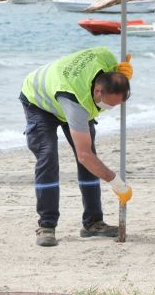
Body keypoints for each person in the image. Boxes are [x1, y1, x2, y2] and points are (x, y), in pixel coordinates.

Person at [19, 46, 134, 247]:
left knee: (90, 161)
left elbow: (113, 77)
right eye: (109, 104)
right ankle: (46, 225)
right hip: (39, 101)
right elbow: (84, 155)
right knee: (48, 157)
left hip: (69, 94)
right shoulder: (77, 104)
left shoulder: (105, 57)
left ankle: (93, 223)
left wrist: (123, 72)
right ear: (98, 91)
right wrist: (117, 183)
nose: (110, 109)